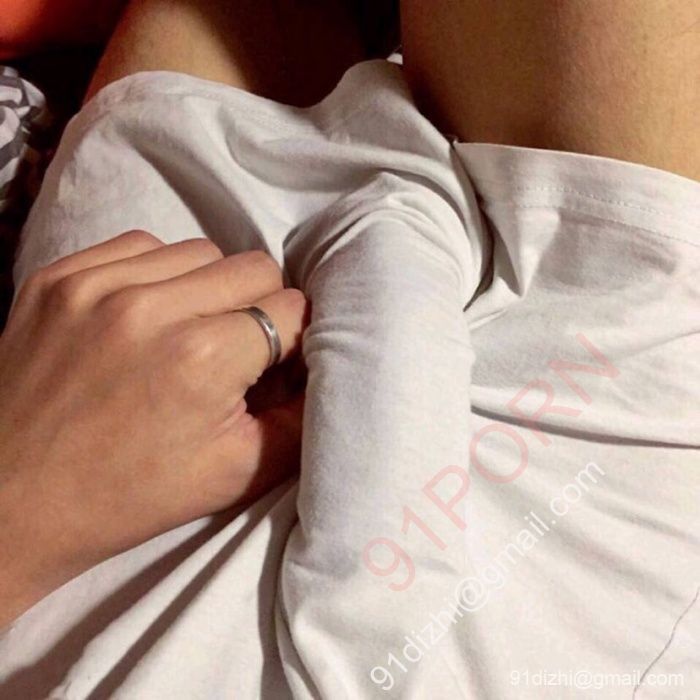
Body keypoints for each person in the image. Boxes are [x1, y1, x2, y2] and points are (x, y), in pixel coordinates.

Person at [1, 1, 698, 698]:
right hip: (576, 384)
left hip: (66, 545)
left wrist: (22, 507)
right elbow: (374, 620)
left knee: (174, 117)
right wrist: (388, 211)